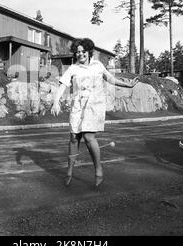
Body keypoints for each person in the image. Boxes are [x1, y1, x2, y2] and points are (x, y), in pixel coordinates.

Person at [51, 38, 139, 187]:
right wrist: (55, 102)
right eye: (77, 52)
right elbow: (63, 85)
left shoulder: (98, 65)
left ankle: (98, 169)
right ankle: (70, 171)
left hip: (94, 105)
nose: (80, 54)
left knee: (88, 136)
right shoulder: (73, 68)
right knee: (73, 137)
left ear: (88, 51)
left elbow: (110, 78)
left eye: (83, 52)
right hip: (78, 104)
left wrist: (127, 85)